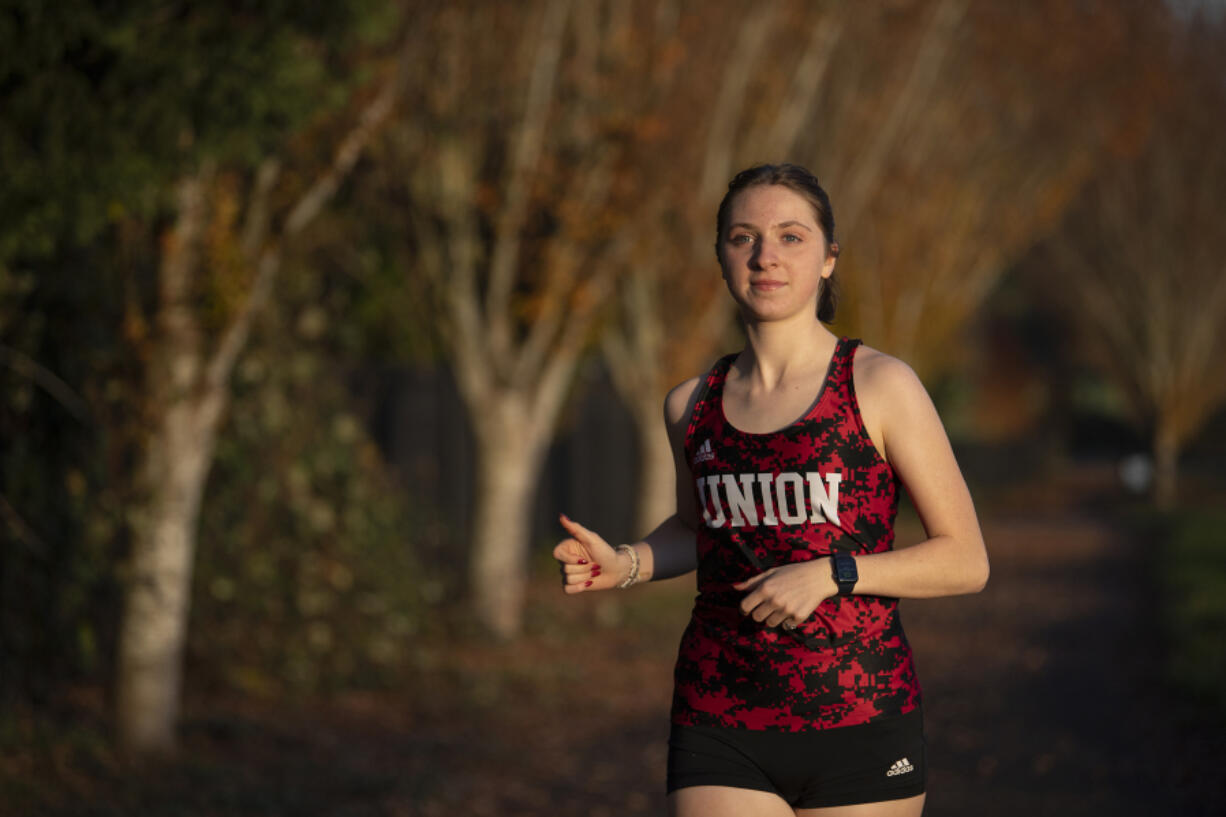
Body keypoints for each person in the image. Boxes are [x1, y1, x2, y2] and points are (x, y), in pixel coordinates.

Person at [553, 163, 989, 817]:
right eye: (743, 237)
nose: (766, 256)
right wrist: (628, 563)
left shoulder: (879, 385)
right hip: (719, 713)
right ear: (723, 257)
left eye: (791, 236)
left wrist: (831, 572)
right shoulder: (689, 404)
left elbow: (965, 559)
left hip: (860, 717)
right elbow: (700, 530)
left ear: (828, 258)